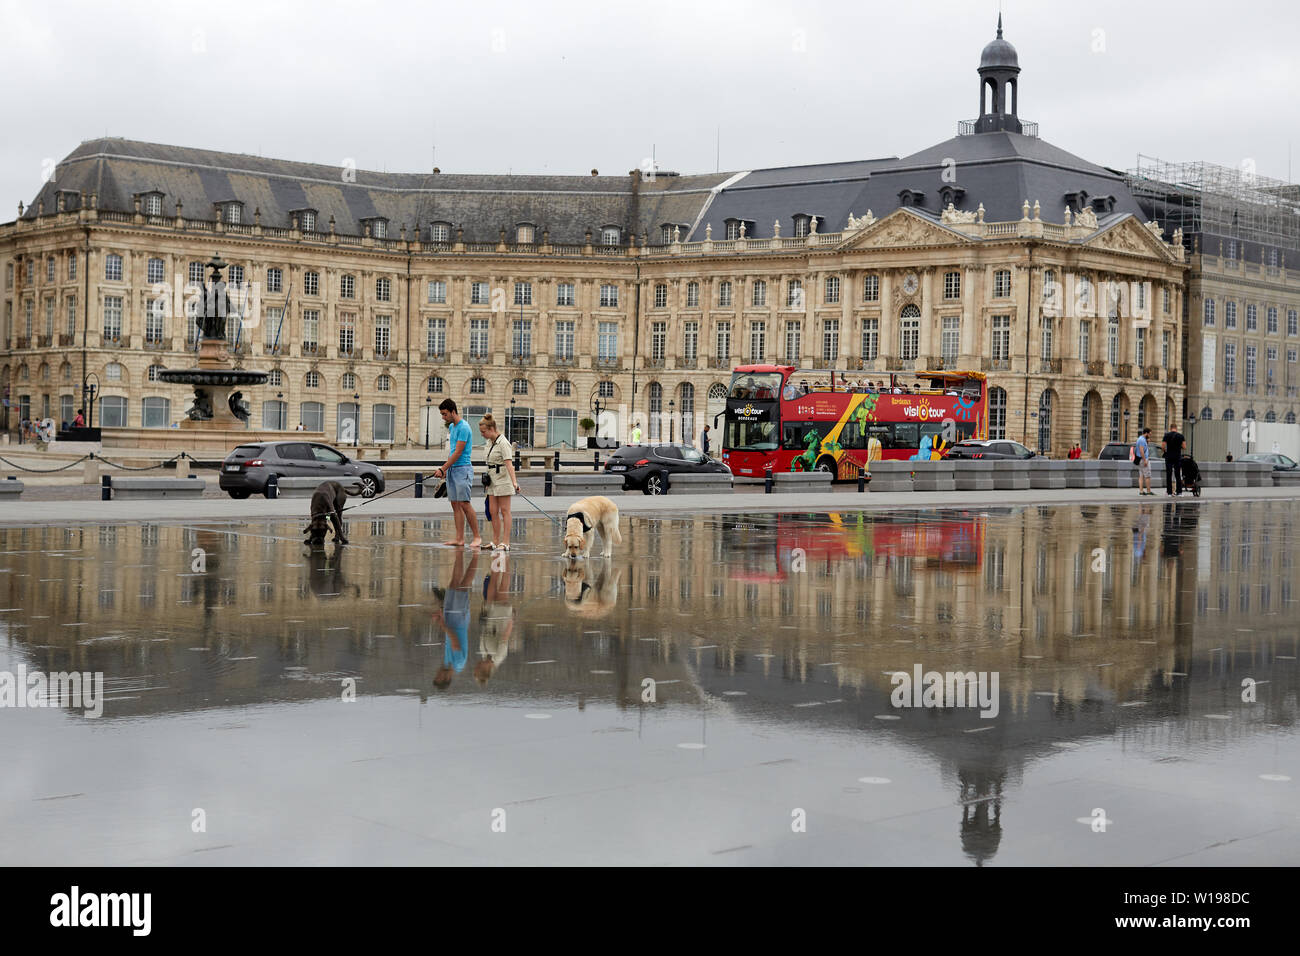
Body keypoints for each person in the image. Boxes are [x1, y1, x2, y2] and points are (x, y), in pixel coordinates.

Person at [431, 398, 481, 549]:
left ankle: (477, 537)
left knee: (465, 504)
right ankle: (459, 538)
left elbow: (459, 452)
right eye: (441, 414)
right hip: (453, 470)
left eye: (445, 414)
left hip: (463, 469)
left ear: (453, 411)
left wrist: (442, 468)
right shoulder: (452, 427)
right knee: (455, 504)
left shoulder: (464, 427)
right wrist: (447, 470)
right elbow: (452, 451)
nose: (443, 417)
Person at [431, 550, 477, 689]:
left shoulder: (447, 662)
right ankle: (475, 556)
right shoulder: (458, 664)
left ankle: (460, 553)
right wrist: (443, 625)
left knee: (453, 583)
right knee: (463, 586)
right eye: (438, 676)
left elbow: (449, 640)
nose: (437, 673)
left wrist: (442, 617)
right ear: (446, 678)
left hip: (451, 620)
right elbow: (455, 642)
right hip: (459, 621)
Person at [479, 413, 519, 551]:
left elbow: (509, 464)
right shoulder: (489, 442)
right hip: (491, 480)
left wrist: (514, 483)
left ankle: (506, 543)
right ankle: (495, 541)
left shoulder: (504, 443)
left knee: (505, 511)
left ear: (491, 429)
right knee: (493, 511)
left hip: (503, 479)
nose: (482, 434)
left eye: (483, 432)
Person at [1160, 423, 1186, 496]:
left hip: (1169, 457)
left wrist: (1166, 451)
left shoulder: (1166, 435)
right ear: (1176, 428)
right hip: (1177, 457)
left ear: (1170, 428)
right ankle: (1179, 492)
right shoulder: (1181, 436)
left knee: (1169, 474)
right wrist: (1178, 447)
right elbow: (1184, 447)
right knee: (1178, 474)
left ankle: (1169, 492)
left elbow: (1163, 446)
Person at [1134, 427, 1153, 496]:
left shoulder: (1140, 439)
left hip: (1140, 459)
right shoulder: (1142, 440)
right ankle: (1148, 491)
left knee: (1141, 475)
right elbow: (1141, 450)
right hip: (1143, 459)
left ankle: (1141, 491)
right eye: (1150, 434)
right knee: (1147, 475)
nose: (1150, 435)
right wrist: (1145, 460)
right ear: (1146, 433)